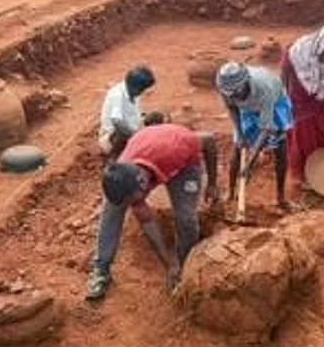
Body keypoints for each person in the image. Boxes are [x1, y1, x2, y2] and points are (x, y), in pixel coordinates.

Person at [86, 123, 220, 301]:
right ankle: (102, 269)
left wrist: (212, 183)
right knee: (112, 207)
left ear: (143, 183)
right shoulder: (123, 175)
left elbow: (209, 140)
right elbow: (147, 223)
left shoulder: (178, 147)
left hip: (184, 165)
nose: (135, 205)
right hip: (146, 149)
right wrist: (168, 265)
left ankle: (187, 264)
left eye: (135, 200)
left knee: (186, 217)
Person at [215, 62, 294, 211]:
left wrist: (251, 161)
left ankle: (281, 197)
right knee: (238, 148)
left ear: (245, 84)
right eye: (229, 93)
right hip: (248, 109)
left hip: (274, 105)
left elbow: (267, 128)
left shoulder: (265, 88)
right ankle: (231, 193)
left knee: (280, 148)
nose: (233, 96)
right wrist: (240, 134)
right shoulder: (224, 87)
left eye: (236, 92)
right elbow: (232, 107)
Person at [281, 25, 324, 189]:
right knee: (300, 141)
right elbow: (283, 77)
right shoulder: (296, 53)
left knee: (321, 139)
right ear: (318, 44)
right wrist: (283, 102)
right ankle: (300, 177)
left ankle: (318, 175)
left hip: (320, 109)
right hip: (297, 105)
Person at [97, 65, 156, 160]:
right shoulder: (117, 95)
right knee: (121, 132)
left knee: (155, 117)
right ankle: (115, 159)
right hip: (111, 140)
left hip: (132, 132)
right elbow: (116, 121)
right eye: (142, 89)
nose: (143, 92)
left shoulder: (132, 93)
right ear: (135, 87)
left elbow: (135, 115)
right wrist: (136, 137)